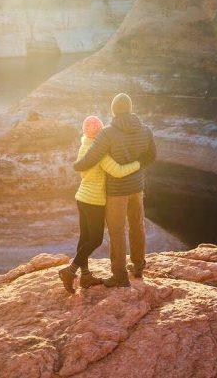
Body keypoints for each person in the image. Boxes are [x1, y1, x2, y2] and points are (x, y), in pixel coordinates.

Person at [73, 93, 156, 288]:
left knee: (117, 231)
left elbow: (90, 160)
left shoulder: (108, 133)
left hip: (116, 191)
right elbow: (152, 157)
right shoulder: (145, 131)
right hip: (137, 187)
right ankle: (138, 266)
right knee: (137, 225)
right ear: (130, 108)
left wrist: (77, 165)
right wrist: (139, 163)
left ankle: (119, 275)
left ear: (113, 110)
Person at [58, 115, 141, 294]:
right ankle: (70, 271)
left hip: (82, 197)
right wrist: (137, 164)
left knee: (84, 238)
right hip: (94, 201)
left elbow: (82, 174)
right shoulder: (99, 152)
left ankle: (86, 276)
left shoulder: (84, 145)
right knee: (95, 240)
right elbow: (118, 171)